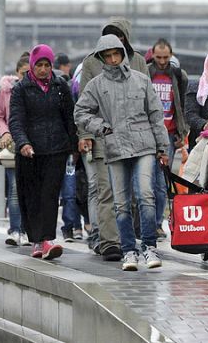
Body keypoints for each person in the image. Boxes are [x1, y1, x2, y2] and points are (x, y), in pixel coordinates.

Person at [75, 34, 170, 271]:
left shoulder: (141, 80)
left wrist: (162, 147)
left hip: (144, 145)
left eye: (116, 53)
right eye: (107, 56)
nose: (113, 59)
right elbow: (80, 112)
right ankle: (128, 250)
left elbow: (155, 114)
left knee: (146, 195)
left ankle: (149, 247)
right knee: (121, 203)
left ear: (123, 53)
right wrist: (101, 128)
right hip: (115, 148)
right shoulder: (96, 85)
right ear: (102, 58)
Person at [77, 16, 147, 262]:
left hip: (135, 139)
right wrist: (86, 134)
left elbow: (148, 101)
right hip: (103, 138)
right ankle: (109, 241)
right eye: (109, 34)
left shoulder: (139, 62)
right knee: (106, 190)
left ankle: (128, 238)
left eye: (119, 35)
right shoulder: (91, 63)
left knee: (134, 194)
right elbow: (84, 104)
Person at [9, 44, 77, 260]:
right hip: (29, 153)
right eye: (39, 65)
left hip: (56, 149)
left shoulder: (60, 86)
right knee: (32, 196)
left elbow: (70, 117)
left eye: (47, 65)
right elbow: (16, 120)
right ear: (32, 65)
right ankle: (36, 240)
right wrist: (23, 143)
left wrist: (74, 145)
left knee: (49, 195)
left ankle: (47, 239)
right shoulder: (21, 89)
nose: (43, 69)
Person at [147, 39, 189, 239]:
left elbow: (183, 106)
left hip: (169, 135)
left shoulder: (179, 76)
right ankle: (145, 223)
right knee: (146, 181)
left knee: (161, 182)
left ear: (171, 55)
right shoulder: (145, 74)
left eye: (166, 57)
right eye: (158, 57)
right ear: (152, 55)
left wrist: (182, 133)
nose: (162, 61)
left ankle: (156, 223)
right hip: (146, 133)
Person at [0, 53, 31, 246]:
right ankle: (16, 229)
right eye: (23, 73)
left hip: (36, 145)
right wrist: (5, 133)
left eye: (29, 72)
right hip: (14, 145)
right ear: (17, 72)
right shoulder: (6, 91)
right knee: (15, 189)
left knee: (32, 190)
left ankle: (29, 230)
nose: (26, 76)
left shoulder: (41, 89)